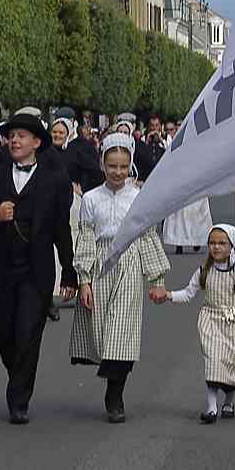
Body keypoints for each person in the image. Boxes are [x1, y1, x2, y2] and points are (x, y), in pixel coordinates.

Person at [0, 110, 77, 425]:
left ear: (36, 142)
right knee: (4, 334)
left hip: (37, 271)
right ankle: (17, 374)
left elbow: (62, 229)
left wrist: (69, 271)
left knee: (28, 332)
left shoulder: (55, 180)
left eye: (21, 135)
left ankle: (19, 399)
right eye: (11, 135)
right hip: (1, 268)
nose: (14, 140)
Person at [69, 135, 172, 423]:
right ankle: (110, 374)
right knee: (103, 328)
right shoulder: (90, 199)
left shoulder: (138, 198)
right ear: (102, 164)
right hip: (101, 263)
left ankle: (115, 394)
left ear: (130, 166)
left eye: (123, 166)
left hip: (129, 259)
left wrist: (156, 280)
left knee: (122, 331)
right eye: (112, 166)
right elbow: (86, 238)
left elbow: (148, 236)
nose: (117, 172)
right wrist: (84, 280)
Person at [160, 223, 235, 422]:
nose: (216, 247)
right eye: (212, 243)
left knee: (232, 365)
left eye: (222, 243)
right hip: (211, 322)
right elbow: (188, 293)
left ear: (231, 246)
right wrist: (169, 295)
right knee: (213, 361)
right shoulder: (203, 272)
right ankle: (211, 407)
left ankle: (229, 402)